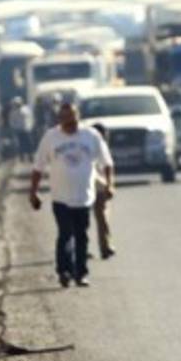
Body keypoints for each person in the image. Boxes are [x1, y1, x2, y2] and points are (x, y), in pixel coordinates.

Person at [29, 101, 114, 288]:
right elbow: (38, 167)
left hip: (84, 196)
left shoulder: (90, 136)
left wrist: (109, 184)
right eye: (65, 119)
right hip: (60, 197)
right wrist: (33, 192)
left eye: (72, 118)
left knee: (81, 236)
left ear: (78, 117)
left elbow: (107, 162)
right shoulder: (51, 138)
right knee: (65, 234)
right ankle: (64, 271)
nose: (69, 123)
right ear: (59, 120)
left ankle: (81, 273)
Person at [90, 122, 117, 259]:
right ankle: (82, 249)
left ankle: (105, 246)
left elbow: (108, 167)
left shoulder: (103, 147)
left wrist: (109, 185)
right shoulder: (88, 146)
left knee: (102, 218)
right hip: (88, 186)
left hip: (99, 186)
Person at [7, 97, 34, 162]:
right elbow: (11, 121)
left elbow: (31, 118)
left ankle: (30, 156)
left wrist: (30, 126)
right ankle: (22, 158)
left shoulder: (26, 109)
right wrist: (15, 127)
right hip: (19, 130)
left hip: (26, 129)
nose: (18, 104)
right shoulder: (13, 112)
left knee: (29, 143)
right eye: (16, 103)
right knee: (20, 144)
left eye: (18, 103)